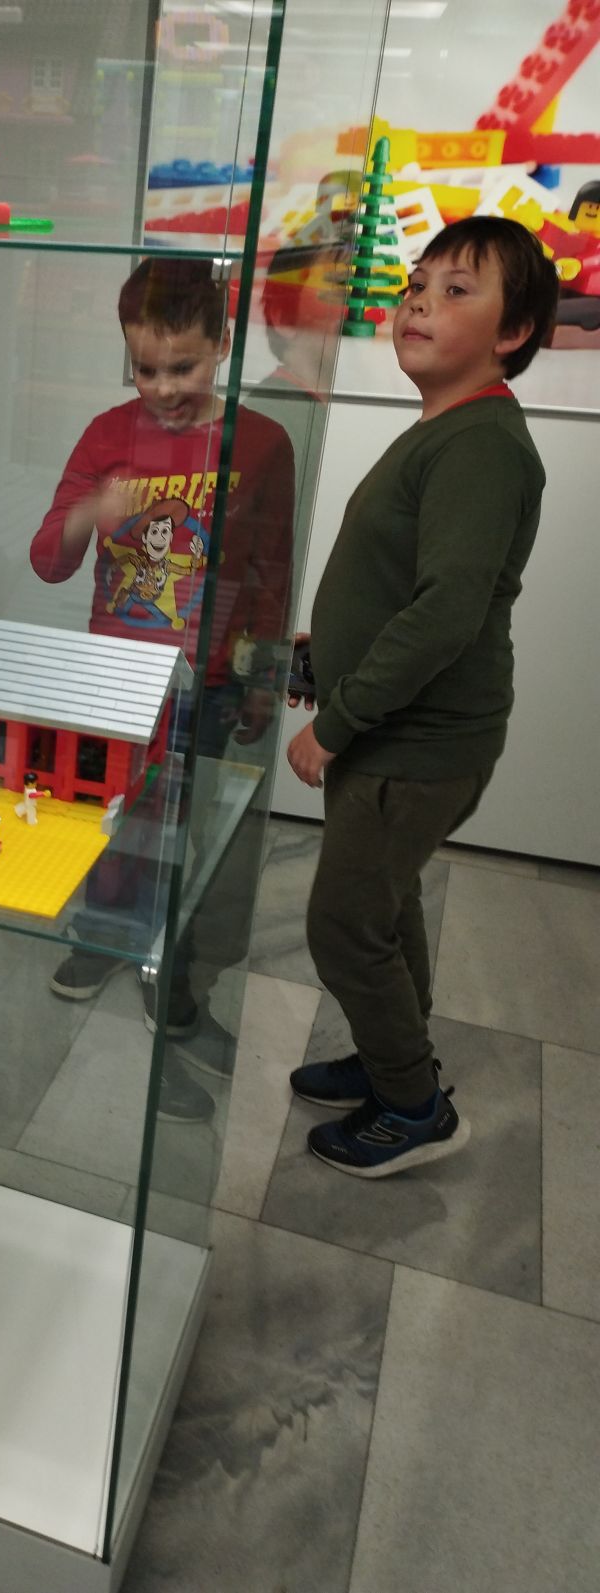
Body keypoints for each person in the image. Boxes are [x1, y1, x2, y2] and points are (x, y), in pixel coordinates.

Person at [286, 214, 560, 1177]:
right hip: (397, 734)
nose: (420, 304)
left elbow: (447, 613)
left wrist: (339, 721)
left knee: (343, 924)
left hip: (414, 743)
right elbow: (403, 581)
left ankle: (413, 1106)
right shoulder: (451, 429)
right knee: (384, 904)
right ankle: (389, 1054)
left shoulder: (481, 444)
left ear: (513, 331)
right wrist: (329, 650)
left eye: (456, 290)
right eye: (416, 285)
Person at [30, 256, 295, 1122]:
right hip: (115, 678)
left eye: (183, 366)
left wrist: (263, 679)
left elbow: (271, 570)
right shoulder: (107, 435)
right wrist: (89, 512)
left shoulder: (262, 444)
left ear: (223, 344)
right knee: (112, 817)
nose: (164, 388)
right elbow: (47, 559)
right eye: (144, 368)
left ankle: (173, 968)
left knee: (192, 834)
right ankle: (103, 936)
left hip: (210, 681)